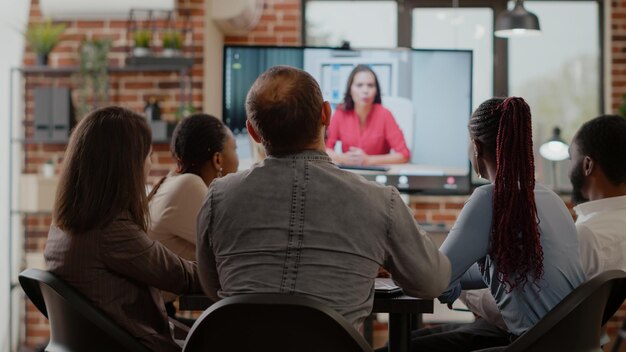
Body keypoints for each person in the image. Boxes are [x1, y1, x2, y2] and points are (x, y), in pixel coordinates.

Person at [196, 65, 451, 328]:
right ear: (326, 115)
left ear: (252, 131)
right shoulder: (380, 201)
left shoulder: (218, 196)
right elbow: (433, 282)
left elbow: (213, 287)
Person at [404, 97, 585, 352]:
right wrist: (451, 279)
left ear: (476, 147)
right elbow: (506, 269)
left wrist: (446, 281)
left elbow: (434, 280)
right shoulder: (551, 199)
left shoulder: (489, 199)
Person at [44, 106, 201, 352]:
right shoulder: (110, 231)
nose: (150, 165)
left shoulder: (64, 226)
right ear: (125, 166)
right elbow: (181, 277)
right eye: (148, 156)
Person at [147, 114, 238, 318]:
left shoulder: (174, 181)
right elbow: (234, 252)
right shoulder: (190, 186)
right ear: (218, 159)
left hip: (156, 310)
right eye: (235, 149)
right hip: (154, 316)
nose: (238, 159)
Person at [325, 64, 410, 166]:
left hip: (377, 177)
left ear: (376, 91)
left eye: (370, 85)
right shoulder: (340, 114)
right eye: (359, 85)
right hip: (349, 175)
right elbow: (324, 150)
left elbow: (404, 155)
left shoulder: (385, 115)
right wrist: (343, 158)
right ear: (350, 89)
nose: (365, 91)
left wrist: (368, 160)